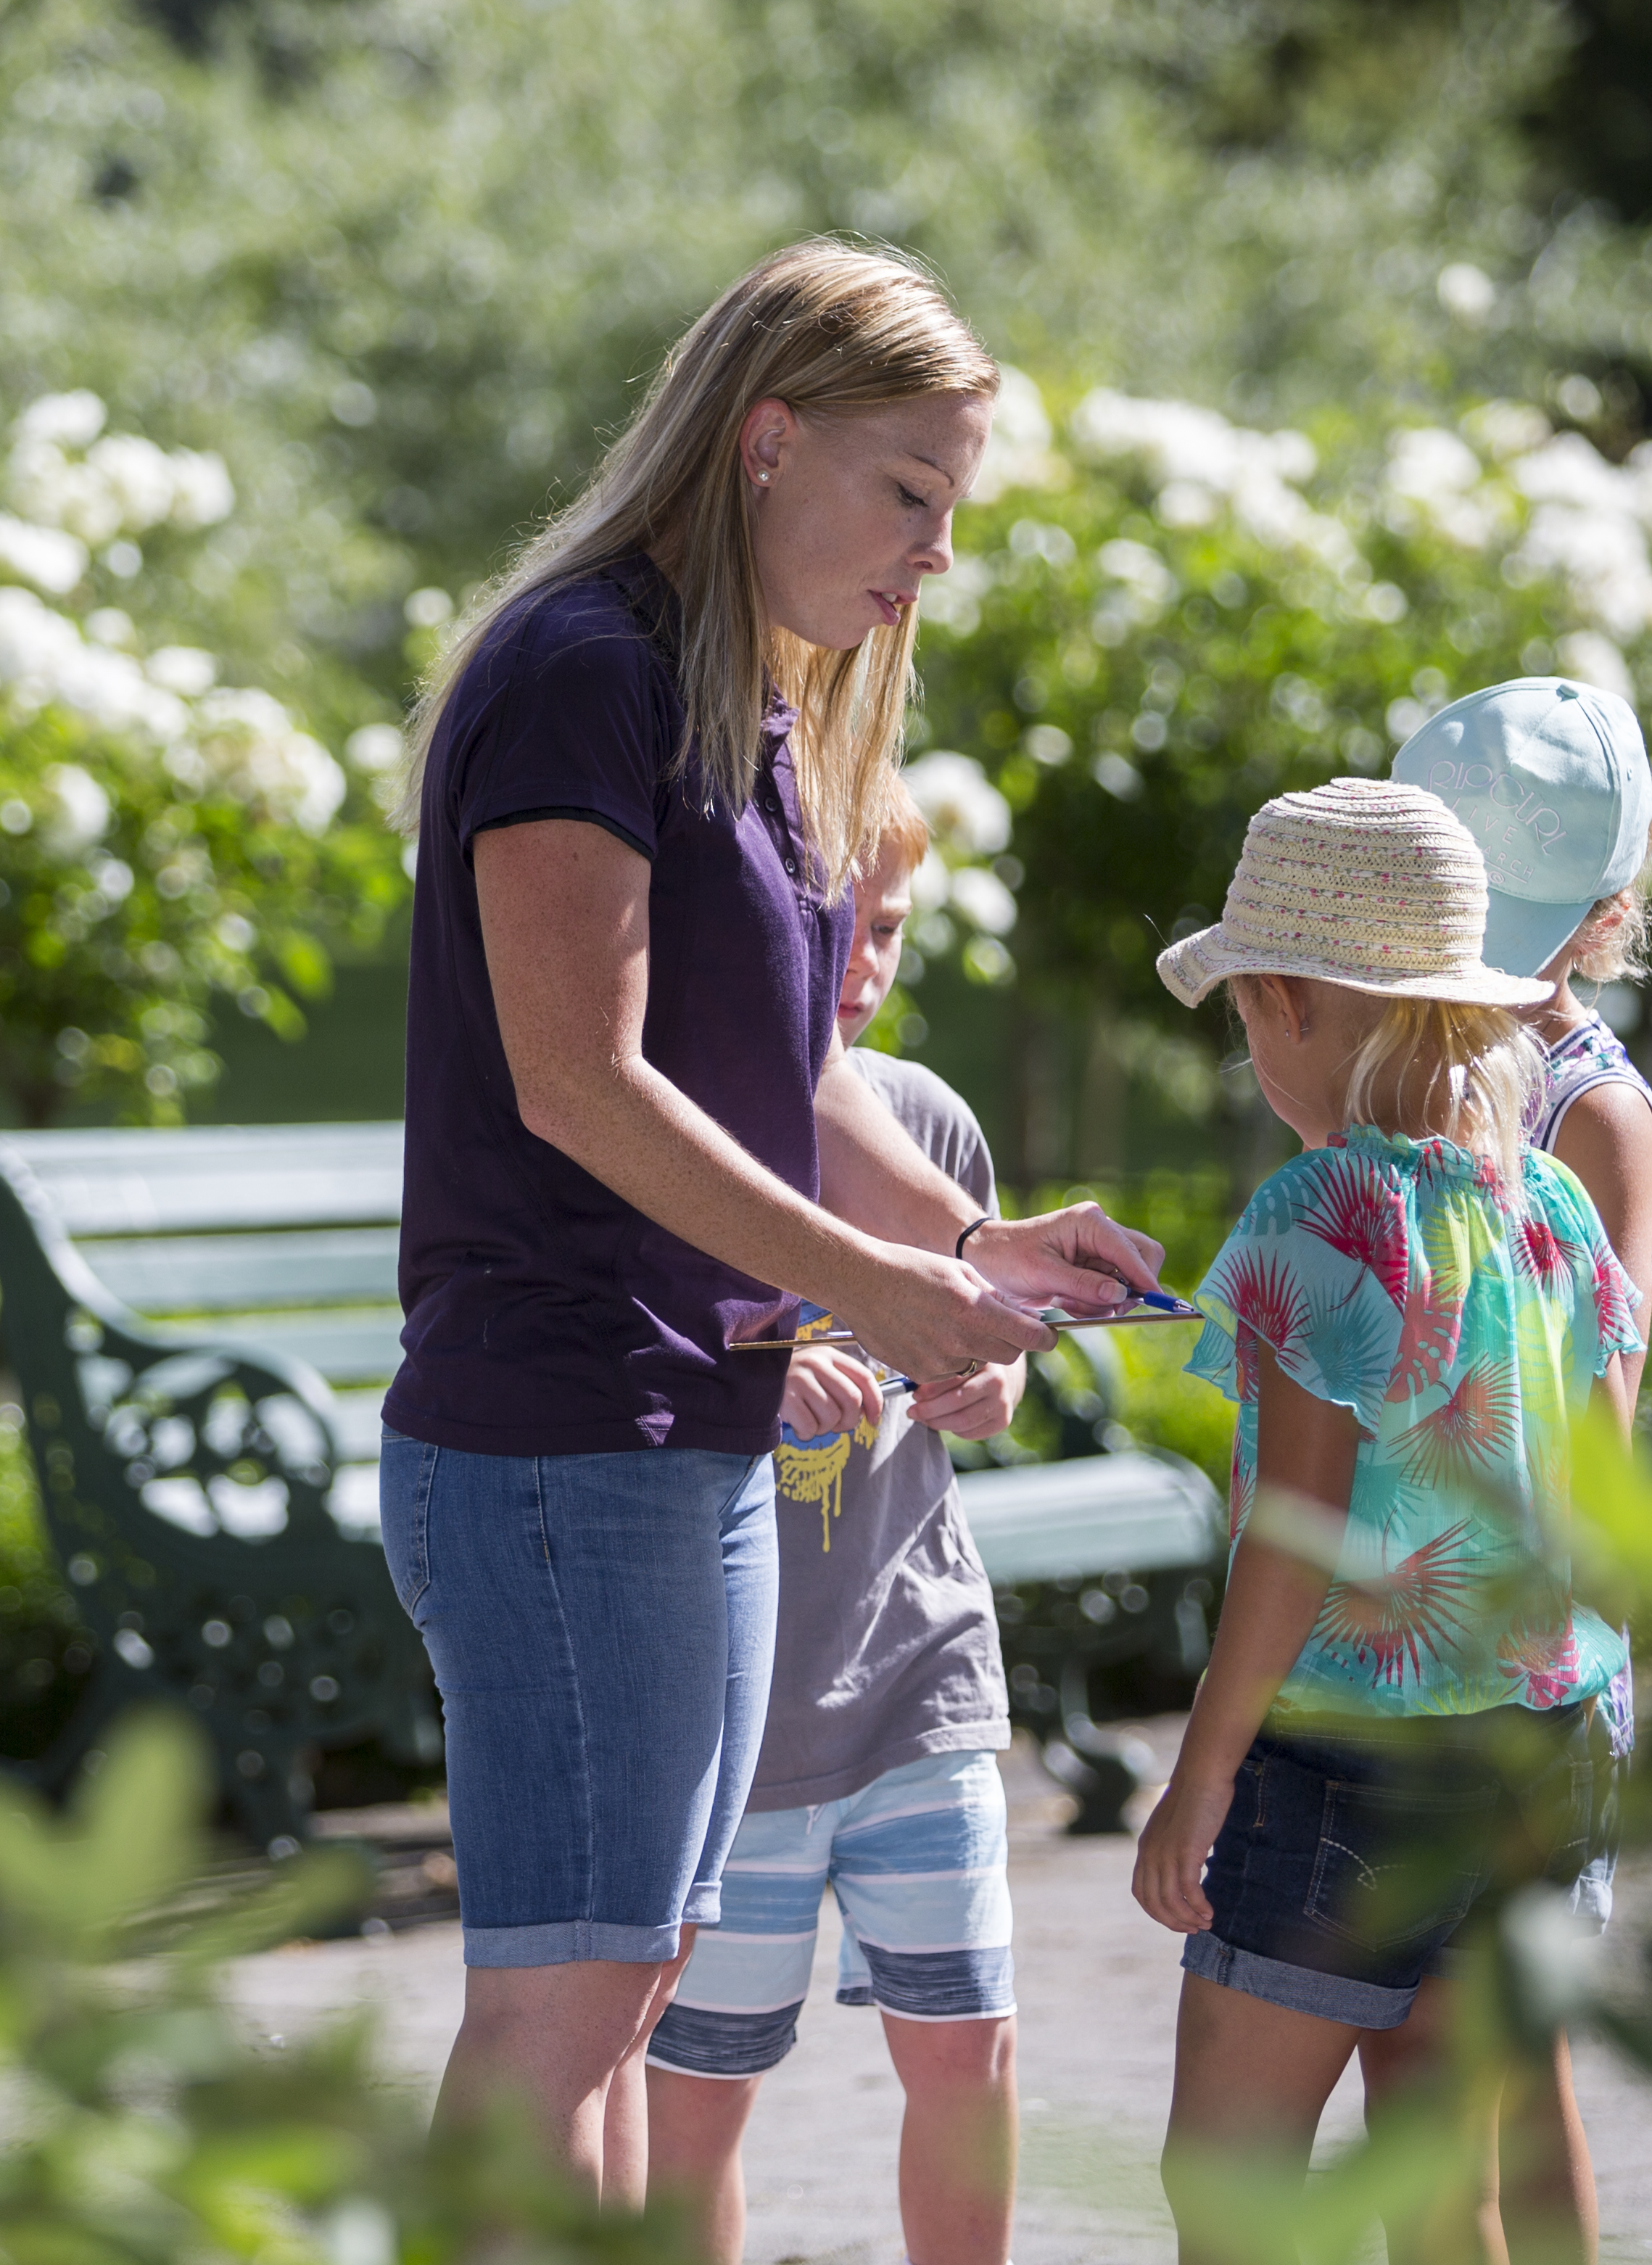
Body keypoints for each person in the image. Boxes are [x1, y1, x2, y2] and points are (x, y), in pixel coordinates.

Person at [380, 239, 1162, 2209]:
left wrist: (973, 1246)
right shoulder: (582, 675)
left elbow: (784, 1070)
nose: (936, 555)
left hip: (680, 1439)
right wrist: (884, 1289)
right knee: (564, 2007)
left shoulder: (735, 699)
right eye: (909, 494)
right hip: (565, 1441)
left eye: (950, 508)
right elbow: (582, 1080)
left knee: (616, 1989)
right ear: (764, 441)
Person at [1126, 779, 1643, 2265]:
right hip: (1539, 1751)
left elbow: (1292, 1530)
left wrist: (1198, 1776)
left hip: (1351, 1766)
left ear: (1285, 999)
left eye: (1241, 1013)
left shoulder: (1316, 1210)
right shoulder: (1546, 1202)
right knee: (1444, 2187)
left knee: (1224, 2177)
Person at [645, 799, 1025, 2265]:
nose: (863, 960)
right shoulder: (666, 1131)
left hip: (913, 1670)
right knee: (696, 2093)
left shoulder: (926, 1122)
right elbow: (621, 1362)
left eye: (892, 928)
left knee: (967, 2050)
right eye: (837, 922)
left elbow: (980, 1338)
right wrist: (748, 1372)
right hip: (732, 1721)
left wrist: (986, 1373)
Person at [1389, 674, 1652, 2236]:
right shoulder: (1424, 1059)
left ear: (1601, 917)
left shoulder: (1588, 1113)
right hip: (1431, 1624)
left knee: (1490, 2071)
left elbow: (1588, 1422)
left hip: (1523, 1645)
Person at [1393, 675, 1652, 1362]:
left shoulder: (1594, 1113)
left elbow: (1597, 1433)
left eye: (1501, 922)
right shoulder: (1397, 1032)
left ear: (1606, 917)